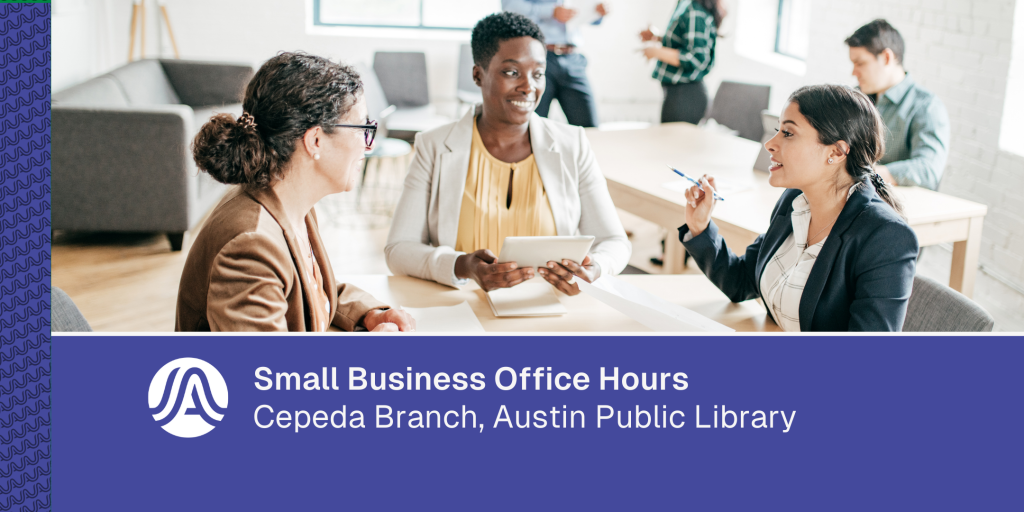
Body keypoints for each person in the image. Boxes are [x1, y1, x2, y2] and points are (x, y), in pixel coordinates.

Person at [385, 12, 630, 296]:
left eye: (538, 74)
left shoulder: (571, 144)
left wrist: (595, 268)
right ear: (478, 75)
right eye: (511, 72)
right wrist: (462, 265)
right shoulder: (434, 146)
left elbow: (614, 242)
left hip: (549, 310)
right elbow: (398, 250)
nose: (529, 87)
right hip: (463, 310)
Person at [176, 52, 415, 332]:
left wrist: (370, 313)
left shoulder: (288, 200)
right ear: (315, 140)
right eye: (362, 128)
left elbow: (309, 290)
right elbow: (264, 373)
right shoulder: (250, 245)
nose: (368, 145)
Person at [679, 85, 919, 332]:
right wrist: (700, 227)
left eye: (788, 133)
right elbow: (741, 282)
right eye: (777, 131)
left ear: (836, 152)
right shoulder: (794, 201)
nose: (770, 144)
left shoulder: (886, 238)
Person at [846, 19, 950, 190]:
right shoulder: (857, 98)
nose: (854, 72)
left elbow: (928, 171)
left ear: (887, 57)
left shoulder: (927, 107)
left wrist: (865, 174)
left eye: (860, 63)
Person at [502, 0, 609, 127]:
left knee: (589, 127)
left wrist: (597, 12)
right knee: (532, 127)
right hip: (537, 57)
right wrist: (551, 11)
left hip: (572, 57)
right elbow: (510, 7)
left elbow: (585, 13)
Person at [640, 0, 725, 124]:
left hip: (686, 95)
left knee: (670, 141)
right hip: (676, 92)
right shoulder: (685, 4)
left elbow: (696, 58)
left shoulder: (695, 11)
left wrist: (656, 52)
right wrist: (658, 38)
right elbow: (684, 42)